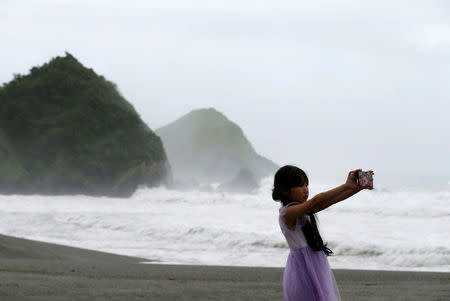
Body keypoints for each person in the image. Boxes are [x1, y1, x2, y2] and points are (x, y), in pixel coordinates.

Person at [272, 165, 374, 301]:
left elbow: (332, 200)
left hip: (315, 262)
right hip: (303, 268)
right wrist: (346, 185)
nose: (306, 190)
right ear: (285, 190)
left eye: (306, 185)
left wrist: (356, 188)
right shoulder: (287, 213)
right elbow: (317, 200)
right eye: (301, 186)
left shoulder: (305, 210)